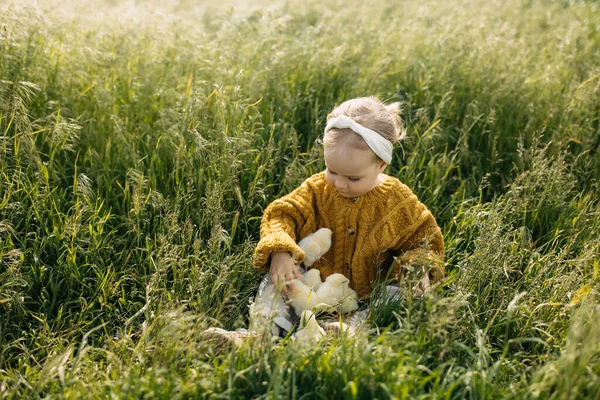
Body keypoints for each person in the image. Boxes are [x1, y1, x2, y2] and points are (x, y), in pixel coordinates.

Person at [204, 96, 445, 345]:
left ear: (381, 165)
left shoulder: (398, 202)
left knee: (403, 296)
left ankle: (348, 328)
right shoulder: (316, 190)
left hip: (368, 294)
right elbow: (282, 213)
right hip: (311, 284)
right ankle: (260, 336)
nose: (340, 183)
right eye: (332, 171)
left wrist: (419, 270)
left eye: (352, 178)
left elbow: (423, 239)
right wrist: (279, 250)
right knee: (279, 281)